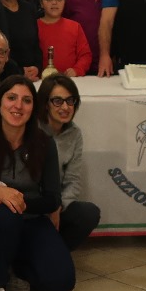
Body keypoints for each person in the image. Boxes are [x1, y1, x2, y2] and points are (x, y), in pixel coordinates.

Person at [0, 76, 95, 291]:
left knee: (62, 282)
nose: (18, 106)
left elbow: (52, 198)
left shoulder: (44, 143)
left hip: (32, 220)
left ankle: (17, 268)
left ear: (34, 107)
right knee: (6, 214)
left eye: (26, 100)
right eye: (11, 98)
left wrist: (17, 200)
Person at [36, 74, 103, 261]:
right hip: (33, 203)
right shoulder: (32, 129)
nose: (65, 107)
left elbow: (72, 180)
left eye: (70, 100)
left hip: (57, 204)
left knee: (88, 213)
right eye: (57, 101)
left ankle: (55, 254)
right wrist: (45, 206)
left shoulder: (74, 134)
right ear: (45, 103)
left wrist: (58, 206)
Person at [36, 0, 92, 76]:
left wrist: (77, 70)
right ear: (41, 3)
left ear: (65, 2)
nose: (54, 3)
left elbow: (85, 55)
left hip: (70, 80)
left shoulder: (75, 27)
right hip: (41, 80)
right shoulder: (34, 27)